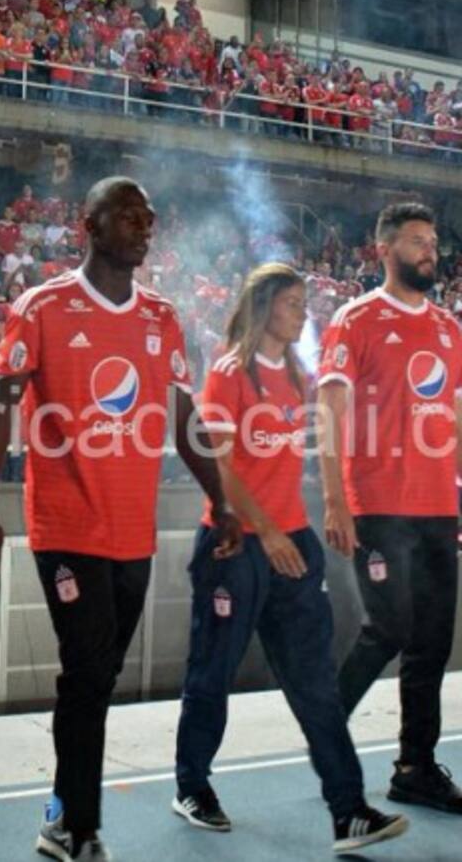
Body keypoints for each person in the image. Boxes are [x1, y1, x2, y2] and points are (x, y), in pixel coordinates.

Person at [0, 177, 243, 862]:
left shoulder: (160, 316)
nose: (144, 225)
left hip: (131, 530)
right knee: (87, 670)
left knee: (97, 676)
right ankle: (79, 828)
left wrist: (224, 499)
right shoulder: (43, 307)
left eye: (149, 215)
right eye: (128, 214)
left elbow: (184, 418)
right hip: (65, 525)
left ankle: (62, 810)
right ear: (89, 224)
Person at [172, 264, 408, 853]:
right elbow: (220, 463)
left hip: (292, 543)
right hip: (236, 547)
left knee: (314, 684)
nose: (303, 311)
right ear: (264, 307)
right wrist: (267, 531)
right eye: (293, 303)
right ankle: (192, 785)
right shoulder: (229, 373)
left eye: (306, 302)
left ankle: (348, 810)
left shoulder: (300, 375)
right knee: (213, 674)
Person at [318, 202, 462, 814]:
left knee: (431, 641)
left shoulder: (451, 329)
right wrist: (334, 500)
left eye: (433, 241)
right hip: (377, 503)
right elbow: (328, 411)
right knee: (389, 629)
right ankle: (322, 730)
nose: (430, 250)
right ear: (383, 250)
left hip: (437, 507)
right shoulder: (356, 320)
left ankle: (415, 766)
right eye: (415, 241)